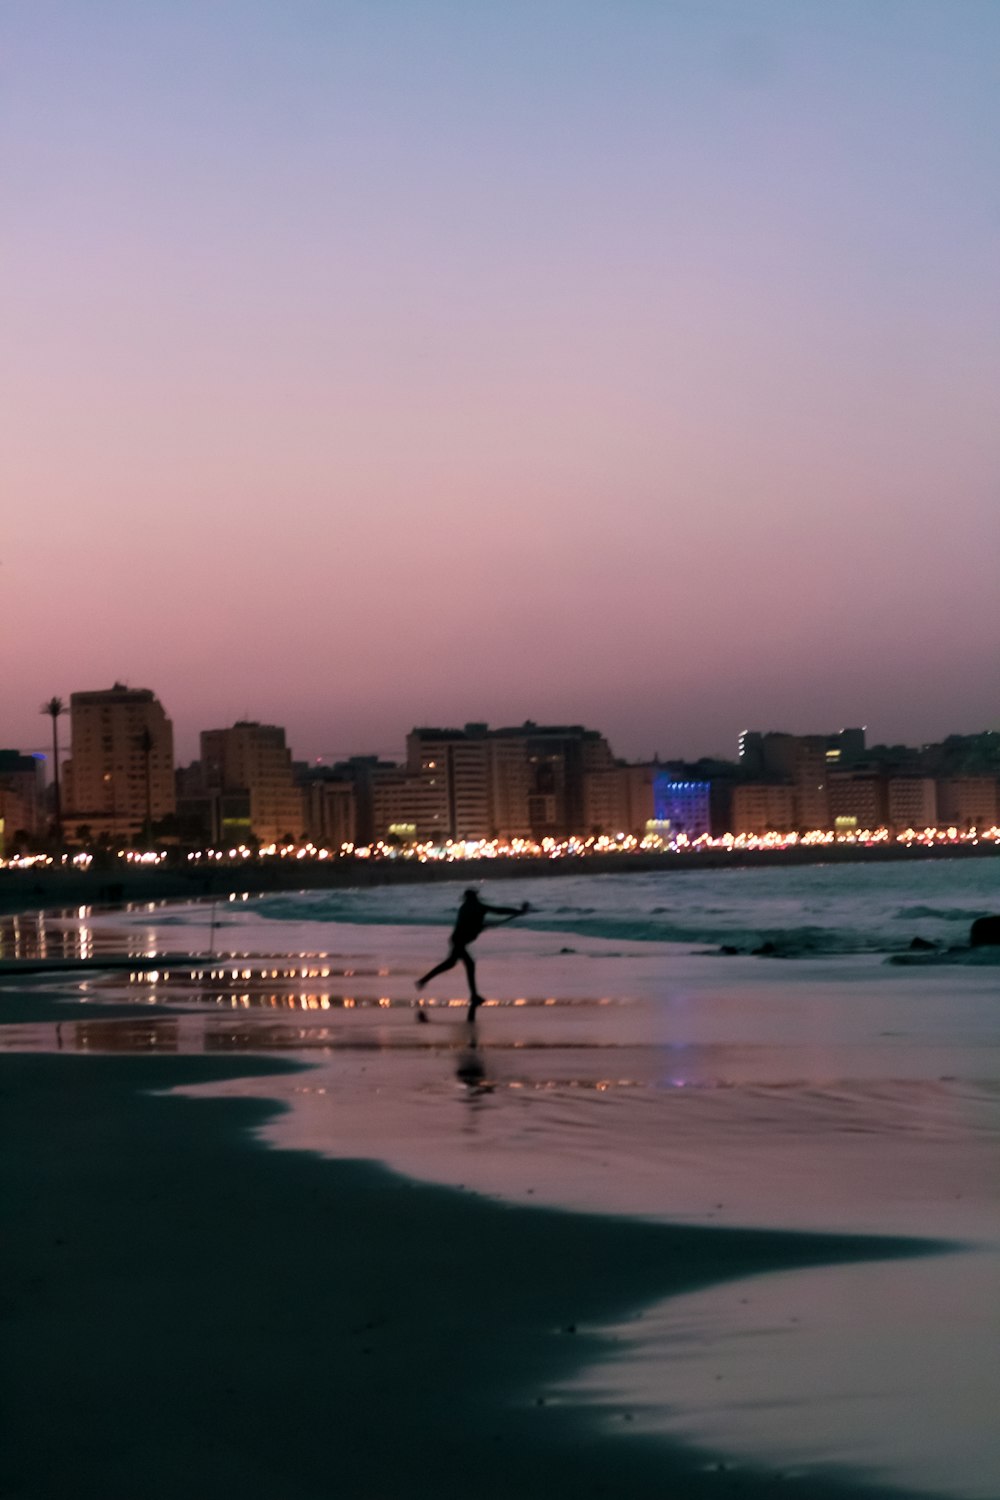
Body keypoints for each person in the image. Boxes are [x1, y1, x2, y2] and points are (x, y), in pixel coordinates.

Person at [416, 889, 530, 1021]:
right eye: (474, 897)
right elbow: (498, 911)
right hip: (459, 940)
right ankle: (473, 995)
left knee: (451, 964)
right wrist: (517, 912)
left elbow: (497, 911)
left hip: (458, 939)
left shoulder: (467, 907)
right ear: (473, 897)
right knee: (467, 964)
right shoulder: (476, 907)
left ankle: (423, 981)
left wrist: (515, 912)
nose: (475, 899)